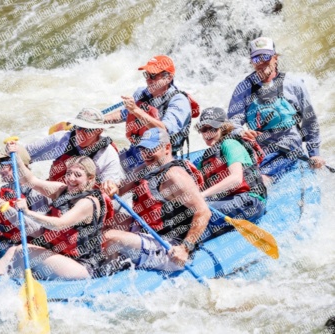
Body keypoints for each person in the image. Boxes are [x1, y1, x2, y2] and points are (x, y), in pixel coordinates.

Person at [0, 142, 113, 280]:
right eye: (69, 173)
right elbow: (29, 180)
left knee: (22, 251)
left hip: (83, 268)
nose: (71, 179)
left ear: (90, 178)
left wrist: (28, 212)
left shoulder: (88, 202)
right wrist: (16, 157)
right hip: (61, 258)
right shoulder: (61, 190)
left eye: (77, 175)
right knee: (13, 250)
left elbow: (59, 224)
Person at [101, 128, 211, 272]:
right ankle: (108, 260)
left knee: (109, 237)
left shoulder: (175, 176)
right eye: (143, 149)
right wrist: (111, 187)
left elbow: (204, 212)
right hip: (149, 232)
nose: (146, 154)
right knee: (105, 224)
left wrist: (185, 248)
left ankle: (108, 275)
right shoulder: (144, 169)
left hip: (170, 246)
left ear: (167, 147)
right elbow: (119, 190)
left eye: (151, 149)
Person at [228, 37, 325, 183]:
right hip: (261, 153)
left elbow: (309, 121)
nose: (261, 63)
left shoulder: (294, 84)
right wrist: (240, 132)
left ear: (275, 58)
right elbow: (232, 123)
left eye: (266, 57)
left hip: (292, 152)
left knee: (261, 181)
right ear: (251, 62)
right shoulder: (243, 89)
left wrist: (314, 154)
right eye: (256, 59)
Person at [0, 108, 124, 184]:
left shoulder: (108, 155)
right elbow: (26, 153)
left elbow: (110, 188)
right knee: (13, 173)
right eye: (78, 127)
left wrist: (110, 187)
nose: (80, 132)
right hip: (54, 193)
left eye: (86, 129)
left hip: (82, 204)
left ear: (99, 130)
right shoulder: (63, 138)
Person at [104, 55, 197, 169]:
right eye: (146, 74)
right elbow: (123, 114)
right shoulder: (141, 93)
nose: (148, 79)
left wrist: (136, 110)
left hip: (160, 158)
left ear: (168, 78)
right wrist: (99, 119)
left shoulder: (179, 101)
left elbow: (164, 130)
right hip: (135, 153)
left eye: (153, 75)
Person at [195, 107, 267, 238]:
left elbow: (236, 179)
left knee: (196, 217)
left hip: (250, 201)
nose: (207, 134)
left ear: (223, 128)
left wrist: (202, 195)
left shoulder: (230, 144)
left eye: (212, 128)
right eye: (204, 129)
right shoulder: (205, 159)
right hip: (229, 201)